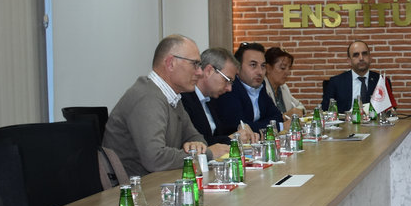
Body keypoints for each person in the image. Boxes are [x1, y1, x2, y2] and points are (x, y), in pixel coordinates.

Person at [103, 34, 226, 177]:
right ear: (170, 63)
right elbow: (155, 158)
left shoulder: (172, 97)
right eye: (194, 64)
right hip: (135, 186)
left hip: (157, 180)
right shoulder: (147, 97)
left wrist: (197, 147)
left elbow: (195, 137)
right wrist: (207, 154)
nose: (199, 72)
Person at [213, 41, 284, 133]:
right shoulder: (229, 87)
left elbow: (277, 117)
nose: (260, 72)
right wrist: (279, 127)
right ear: (238, 68)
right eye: (253, 65)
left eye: (263, 66)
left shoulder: (261, 86)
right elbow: (237, 127)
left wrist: (254, 125)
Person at [181, 47, 245, 146]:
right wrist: (232, 139)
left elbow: (219, 134)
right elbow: (197, 144)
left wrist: (241, 129)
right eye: (227, 80)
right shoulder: (184, 100)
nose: (229, 88)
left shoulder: (212, 100)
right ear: (209, 71)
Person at [322, 40, 381, 113]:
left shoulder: (381, 81)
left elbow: (389, 110)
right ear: (349, 61)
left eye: (364, 54)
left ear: (370, 57)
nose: (361, 58)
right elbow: (325, 110)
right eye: (356, 55)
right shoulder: (336, 82)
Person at [263, 47, 306, 118]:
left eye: (289, 68)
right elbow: (263, 119)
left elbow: (300, 106)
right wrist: (284, 116)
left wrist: (298, 111)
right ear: (268, 68)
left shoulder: (283, 87)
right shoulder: (261, 89)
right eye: (283, 68)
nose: (288, 72)